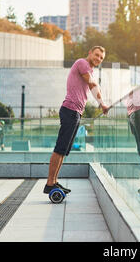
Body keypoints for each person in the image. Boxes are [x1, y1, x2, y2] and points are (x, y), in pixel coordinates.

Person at [44, 46, 109, 195]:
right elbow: (92, 84)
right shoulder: (82, 63)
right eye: (97, 55)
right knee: (60, 148)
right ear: (90, 52)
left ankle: (53, 181)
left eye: (101, 58)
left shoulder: (90, 70)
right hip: (70, 111)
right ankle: (49, 183)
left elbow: (92, 84)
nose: (98, 59)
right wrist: (102, 104)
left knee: (64, 151)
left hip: (76, 113)